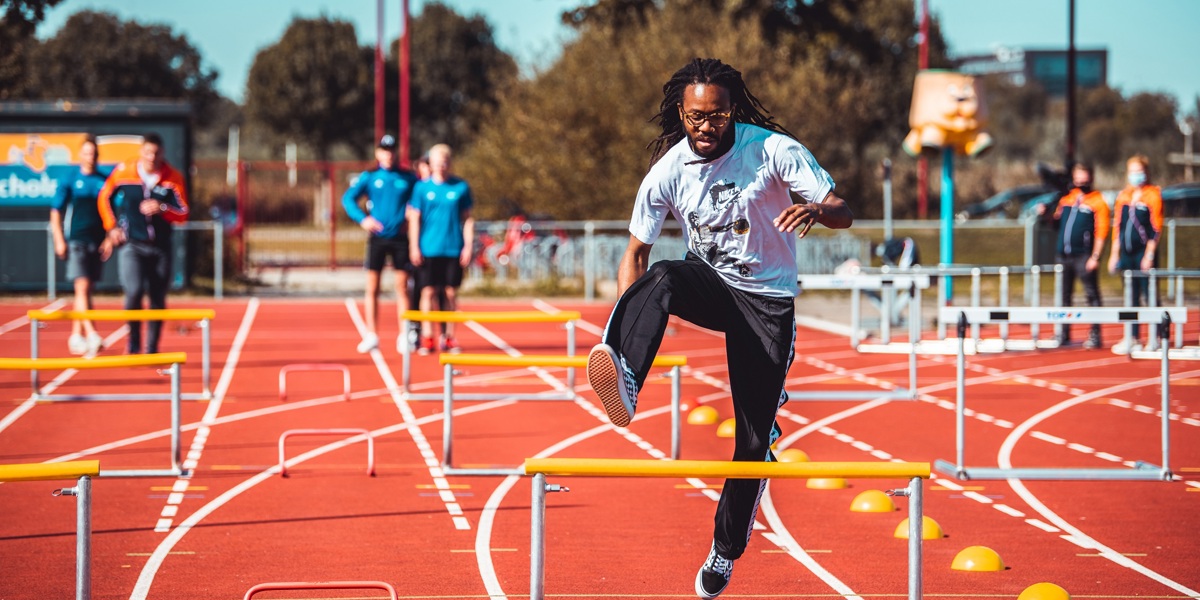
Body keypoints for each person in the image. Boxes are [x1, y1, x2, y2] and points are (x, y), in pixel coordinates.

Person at [585, 58, 853, 598]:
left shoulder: (773, 150)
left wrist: (818, 212)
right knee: (660, 274)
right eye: (695, 117)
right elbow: (633, 254)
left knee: (752, 445)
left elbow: (842, 209)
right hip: (709, 283)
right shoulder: (668, 170)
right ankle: (628, 377)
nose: (706, 128)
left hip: (767, 303)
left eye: (717, 116)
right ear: (679, 112)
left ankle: (724, 551)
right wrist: (628, 329)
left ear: (733, 110)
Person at [97, 133, 189, 355]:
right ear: (142, 152)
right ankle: (133, 343)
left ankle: (152, 347)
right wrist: (112, 227)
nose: (151, 157)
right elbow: (104, 197)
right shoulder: (124, 172)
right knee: (134, 291)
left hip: (160, 247)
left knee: (158, 296)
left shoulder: (172, 177)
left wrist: (163, 208)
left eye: (156, 153)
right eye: (148, 152)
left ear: (162, 153)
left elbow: (183, 213)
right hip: (133, 245)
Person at [342, 134, 419, 353]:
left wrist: (410, 217)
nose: (388, 154)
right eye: (384, 150)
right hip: (377, 238)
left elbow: (418, 200)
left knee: (402, 287)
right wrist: (363, 219)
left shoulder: (408, 178)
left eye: (392, 150)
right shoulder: (370, 177)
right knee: (372, 287)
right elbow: (348, 199)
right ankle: (371, 334)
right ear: (378, 153)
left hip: (401, 239)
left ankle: (404, 334)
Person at [408, 143, 475, 355]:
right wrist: (414, 246)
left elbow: (469, 219)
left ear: (449, 163)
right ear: (431, 164)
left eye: (444, 162)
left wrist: (468, 246)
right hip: (428, 248)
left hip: (453, 248)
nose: (441, 166)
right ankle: (427, 337)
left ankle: (449, 337)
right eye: (437, 163)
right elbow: (414, 219)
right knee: (428, 292)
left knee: (450, 293)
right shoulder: (421, 188)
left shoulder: (460, 187)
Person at [1037, 161, 1110, 349]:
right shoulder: (1067, 199)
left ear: (1091, 177)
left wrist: (1095, 256)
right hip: (1064, 255)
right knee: (1064, 296)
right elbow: (1055, 224)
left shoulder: (1097, 201)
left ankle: (1095, 333)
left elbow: (1101, 232)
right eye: (1078, 176)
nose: (1080, 180)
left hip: (1083, 255)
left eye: (1084, 176)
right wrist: (1045, 215)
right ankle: (1063, 333)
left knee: (1091, 294)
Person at [50, 135, 109, 355]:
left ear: (97, 156)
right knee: (82, 287)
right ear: (80, 155)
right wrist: (58, 239)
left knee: (85, 290)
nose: (90, 157)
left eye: (93, 154)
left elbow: (113, 212)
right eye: (86, 153)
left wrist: (110, 237)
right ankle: (92, 332)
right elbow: (56, 210)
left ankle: (76, 335)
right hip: (77, 240)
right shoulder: (70, 179)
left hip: (97, 241)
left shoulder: (104, 181)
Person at [1107, 155, 1163, 353]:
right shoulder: (1124, 196)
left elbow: (1156, 227)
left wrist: (1149, 254)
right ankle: (1131, 336)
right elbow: (1118, 228)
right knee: (1130, 296)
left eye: (1139, 171)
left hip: (1143, 252)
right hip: (1127, 252)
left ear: (1146, 172)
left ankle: (1156, 336)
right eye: (1132, 171)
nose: (1136, 175)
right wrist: (1114, 254)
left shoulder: (1152, 195)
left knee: (1149, 294)